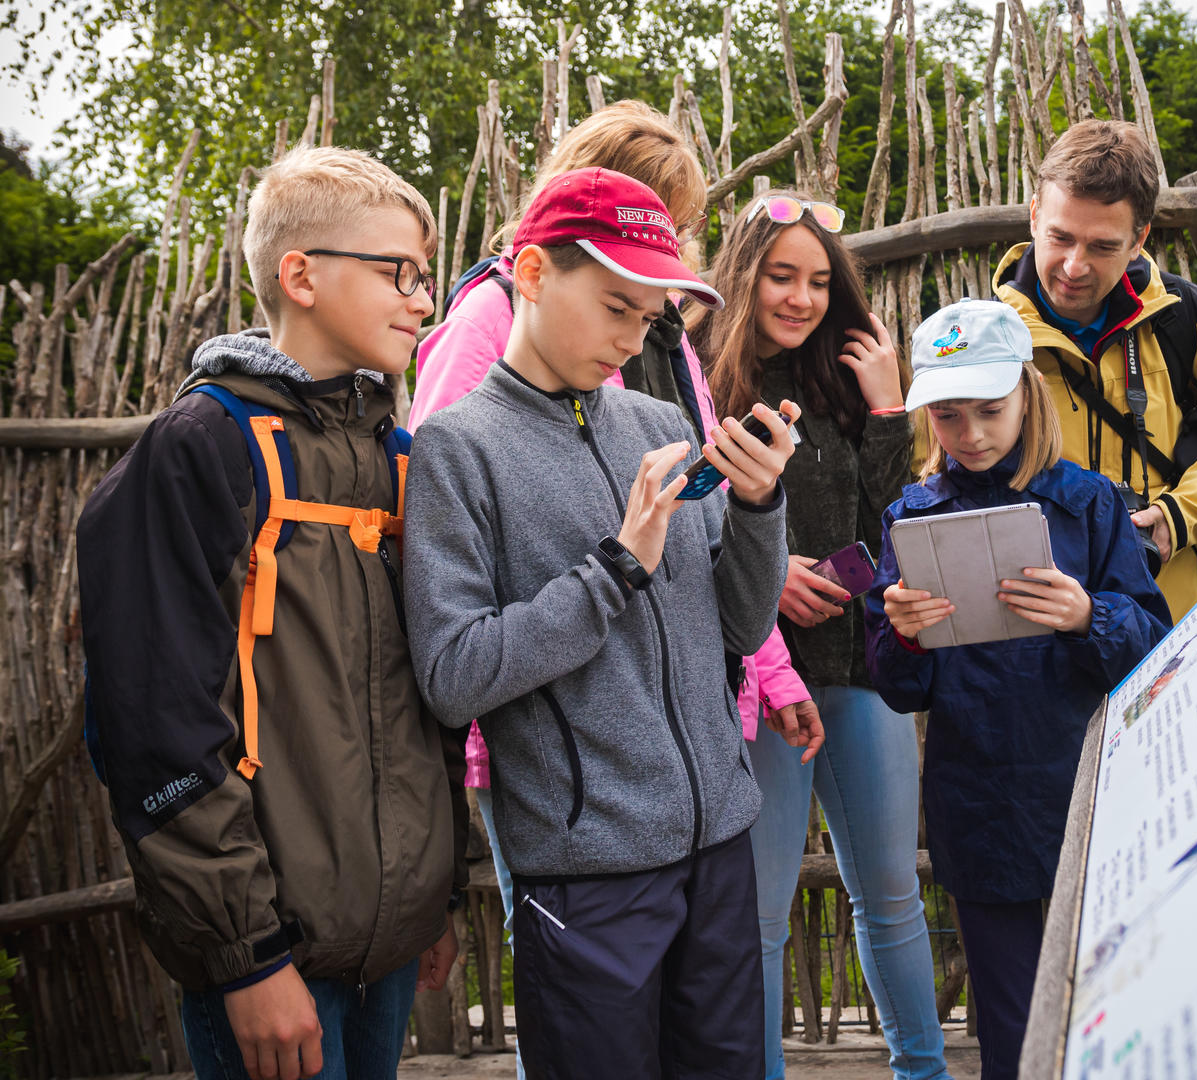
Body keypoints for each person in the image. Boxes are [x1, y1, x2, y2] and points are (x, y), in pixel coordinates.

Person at [77, 145, 464, 1080]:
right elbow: (156, 727)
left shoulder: (397, 456)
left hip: (388, 950)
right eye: (399, 272)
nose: (423, 300)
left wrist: (432, 900)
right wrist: (245, 957)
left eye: (425, 276)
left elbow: (422, 704)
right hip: (267, 957)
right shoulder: (200, 449)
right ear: (301, 276)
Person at [404, 167, 796, 1078]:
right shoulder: (456, 450)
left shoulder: (660, 421)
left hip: (720, 853)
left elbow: (738, 630)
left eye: (648, 317)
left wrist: (758, 509)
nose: (630, 337)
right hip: (584, 880)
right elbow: (454, 675)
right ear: (533, 273)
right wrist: (616, 567)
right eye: (616, 307)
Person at [866, 299, 1172, 1080]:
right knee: (1007, 1014)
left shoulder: (1093, 504)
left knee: (1113, 992)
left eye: (989, 410)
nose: (970, 433)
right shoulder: (909, 519)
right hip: (978, 799)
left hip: (1090, 791)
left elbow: (1155, 647)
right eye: (948, 415)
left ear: (1027, 396)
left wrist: (1089, 616)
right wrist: (904, 635)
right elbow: (898, 687)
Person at [690, 191, 951, 1080]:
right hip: (756, 682)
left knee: (892, 895)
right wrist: (767, 572)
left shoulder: (841, 380)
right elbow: (678, 525)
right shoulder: (695, 379)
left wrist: (888, 411)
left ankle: (924, 1072)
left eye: (817, 281)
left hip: (859, 666)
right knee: (760, 916)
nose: (800, 298)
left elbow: (893, 529)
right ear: (743, 275)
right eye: (780, 276)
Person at [994, 118, 1197, 620]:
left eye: (1102, 246)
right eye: (1060, 237)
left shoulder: (1184, 315)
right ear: (1034, 216)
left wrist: (1179, 516)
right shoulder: (982, 335)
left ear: (1139, 238)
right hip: (1035, 635)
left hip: (1169, 626)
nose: (1074, 266)